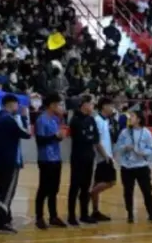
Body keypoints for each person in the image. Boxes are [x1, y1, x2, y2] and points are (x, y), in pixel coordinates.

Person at [0, 95, 30, 234]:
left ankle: (5, 217)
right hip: (10, 160)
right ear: (12, 104)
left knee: (2, 189)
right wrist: (25, 117)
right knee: (7, 192)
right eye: (17, 105)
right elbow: (27, 134)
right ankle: (1, 223)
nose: (18, 108)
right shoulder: (9, 119)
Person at [114, 109, 152, 224]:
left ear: (139, 119)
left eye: (132, 116)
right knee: (128, 191)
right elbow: (118, 147)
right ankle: (130, 214)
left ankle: (151, 213)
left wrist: (143, 152)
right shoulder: (124, 132)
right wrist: (124, 148)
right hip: (127, 167)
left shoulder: (146, 133)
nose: (130, 118)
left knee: (147, 191)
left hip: (142, 166)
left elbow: (151, 149)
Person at [67, 96, 104, 226]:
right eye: (91, 104)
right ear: (84, 104)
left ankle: (84, 214)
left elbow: (95, 137)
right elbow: (81, 137)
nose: (93, 107)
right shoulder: (75, 120)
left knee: (86, 187)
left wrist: (89, 135)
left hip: (89, 156)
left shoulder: (91, 119)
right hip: (78, 157)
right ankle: (71, 216)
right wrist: (89, 135)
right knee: (75, 187)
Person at [34, 93, 66, 229]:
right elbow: (40, 140)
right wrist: (55, 136)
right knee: (44, 188)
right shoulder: (42, 120)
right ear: (52, 105)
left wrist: (59, 137)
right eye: (58, 104)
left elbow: (56, 138)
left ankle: (53, 216)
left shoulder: (55, 119)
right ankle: (39, 217)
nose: (60, 107)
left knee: (54, 189)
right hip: (46, 158)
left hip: (56, 157)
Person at [90, 97, 119, 222]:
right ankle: (89, 193)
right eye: (110, 106)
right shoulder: (97, 120)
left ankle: (95, 211)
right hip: (103, 157)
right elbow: (97, 141)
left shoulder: (107, 120)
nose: (112, 108)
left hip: (106, 155)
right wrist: (105, 155)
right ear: (104, 107)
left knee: (98, 183)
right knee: (111, 181)